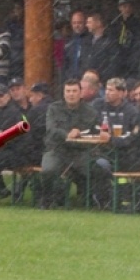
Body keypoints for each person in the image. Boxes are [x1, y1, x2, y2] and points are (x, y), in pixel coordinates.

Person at [42, 78, 100, 208]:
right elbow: (51, 129)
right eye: (68, 91)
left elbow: (96, 131)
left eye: (74, 91)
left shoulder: (91, 112)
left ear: (80, 93)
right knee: (48, 170)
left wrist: (102, 133)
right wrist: (67, 134)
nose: (71, 94)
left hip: (80, 151)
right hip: (57, 150)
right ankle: (47, 200)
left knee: (96, 170)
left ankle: (93, 200)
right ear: (63, 93)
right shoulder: (53, 108)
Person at [111, 0, 140, 80]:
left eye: (129, 6)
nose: (127, 9)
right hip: (119, 59)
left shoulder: (138, 24)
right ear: (119, 8)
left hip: (132, 61)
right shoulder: (115, 24)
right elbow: (113, 41)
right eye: (124, 7)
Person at [84, 12, 120, 82]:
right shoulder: (87, 41)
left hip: (102, 82)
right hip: (88, 81)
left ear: (98, 23)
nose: (86, 25)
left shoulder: (110, 41)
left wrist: (101, 79)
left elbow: (113, 64)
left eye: (89, 22)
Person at [62, 11, 92, 85]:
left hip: (86, 81)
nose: (77, 25)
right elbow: (65, 63)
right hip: (71, 81)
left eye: (79, 23)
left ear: (85, 23)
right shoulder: (68, 41)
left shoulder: (91, 40)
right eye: (74, 23)